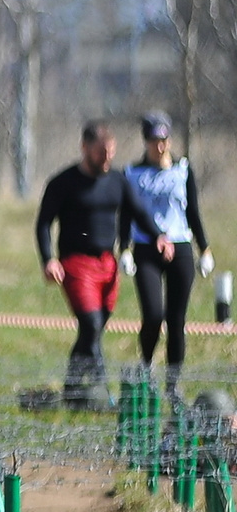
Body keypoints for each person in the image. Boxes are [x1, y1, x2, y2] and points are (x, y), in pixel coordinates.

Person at [35, 120, 164, 409]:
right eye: (100, 153)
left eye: (111, 153)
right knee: (91, 325)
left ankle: (72, 389)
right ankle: (103, 390)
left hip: (108, 264)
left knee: (92, 329)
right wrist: (48, 259)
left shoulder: (118, 181)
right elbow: (43, 223)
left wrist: (159, 236)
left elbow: (139, 212)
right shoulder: (63, 182)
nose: (106, 159)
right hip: (76, 263)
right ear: (85, 148)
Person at [127, 112, 210, 391]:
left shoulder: (183, 170)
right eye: (154, 140)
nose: (160, 146)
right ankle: (146, 365)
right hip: (146, 247)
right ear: (146, 141)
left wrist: (205, 248)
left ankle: (173, 384)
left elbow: (193, 213)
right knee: (153, 314)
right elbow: (126, 216)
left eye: (164, 140)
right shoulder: (133, 173)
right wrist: (124, 249)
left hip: (180, 244)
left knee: (176, 320)